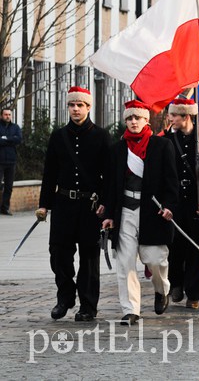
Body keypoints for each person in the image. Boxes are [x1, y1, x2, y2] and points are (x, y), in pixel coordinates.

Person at [101, 100, 179, 325]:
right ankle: (130, 309)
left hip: (152, 212)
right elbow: (110, 184)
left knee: (154, 259)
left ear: (146, 120)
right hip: (125, 210)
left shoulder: (162, 146)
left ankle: (161, 288)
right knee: (125, 263)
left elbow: (171, 182)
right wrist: (107, 213)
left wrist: (169, 206)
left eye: (138, 118)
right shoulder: (117, 149)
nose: (134, 122)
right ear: (125, 121)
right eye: (130, 118)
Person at [38, 87, 112, 322]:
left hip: (91, 206)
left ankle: (88, 306)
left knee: (89, 258)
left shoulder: (102, 136)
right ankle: (65, 297)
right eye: (72, 105)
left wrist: (106, 204)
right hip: (63, 204)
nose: (76, 109)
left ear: (88, 107)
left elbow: (109, 176)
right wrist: (44, 204)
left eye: (80, 105)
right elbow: (49, 173)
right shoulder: (58, 136)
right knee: (58, 254)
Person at [165, 98, 199, 309]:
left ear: (186, 116)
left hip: (196, 201)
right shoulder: (167, 140)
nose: (170, 119)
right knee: (175, 246)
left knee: (194, 248)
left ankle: (193, 293)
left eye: (174, 115)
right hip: (174, 201)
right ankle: (176, 283)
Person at [0, 108, 22, 215]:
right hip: (0, 160)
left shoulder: (15, 127)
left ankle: (5, 208)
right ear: (1, 115)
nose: (7, 116)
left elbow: (18, 139)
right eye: (5, 114)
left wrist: (5, 138)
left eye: (9, 114)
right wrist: (10, 139)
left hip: (11, 161)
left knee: (9, 186)